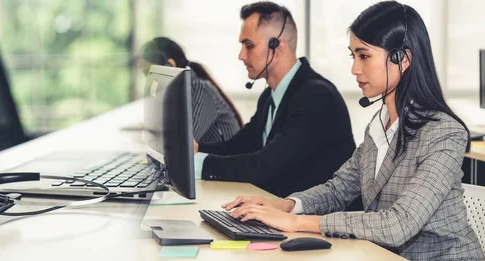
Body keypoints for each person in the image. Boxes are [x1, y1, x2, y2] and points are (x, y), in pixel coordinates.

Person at [222, 1, 485, 260]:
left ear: (401, 59)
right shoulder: (379, 127)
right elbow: (338, 190)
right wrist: (288, 205)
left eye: (365, 56)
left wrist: (297, 223)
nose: (354, 69)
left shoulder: (444, 133)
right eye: (353, 56)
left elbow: (399, 225)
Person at [193, 1, 356, 199]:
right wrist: (196, 150)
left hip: (317, 223)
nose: (241, 55)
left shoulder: (316, 97)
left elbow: (267, 166)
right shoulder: (271, 94)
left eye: (249, 46)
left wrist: (198, 163)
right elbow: (242, 145)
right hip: (282, 212)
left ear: (276, 48)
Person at [138, 37, 242, 144]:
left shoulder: (199, 88)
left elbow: (184, 143)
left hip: (221, 159)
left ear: (170, 65)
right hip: (205, 158)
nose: (149, 79)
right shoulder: (179, 92)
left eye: (149, 72)